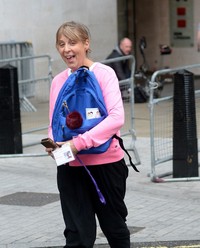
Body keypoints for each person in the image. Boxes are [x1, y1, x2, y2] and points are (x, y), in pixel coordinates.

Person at [45, 21, 130, 248]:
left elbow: (116, 118)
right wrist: (54, 144)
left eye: (72, 43)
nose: (66, 49)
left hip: (106, 165)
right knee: (77, 237)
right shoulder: (58, 81)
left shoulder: (104, 74)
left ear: (86, 44)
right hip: (70, 169)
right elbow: (54, 123)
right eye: (61, 44)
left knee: (115, 229)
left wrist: (77, 143)